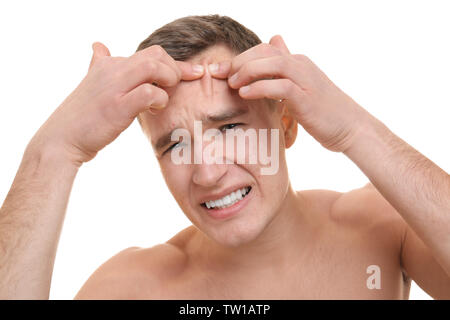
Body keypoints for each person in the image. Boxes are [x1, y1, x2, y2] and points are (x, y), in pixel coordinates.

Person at [0, 15, 449, 300]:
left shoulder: (381, 226)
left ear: (287, 124)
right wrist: (53, 152)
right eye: (176, 144)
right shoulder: (133, 289)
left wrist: (355, 129)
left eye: (230, 128)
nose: (209, 172)